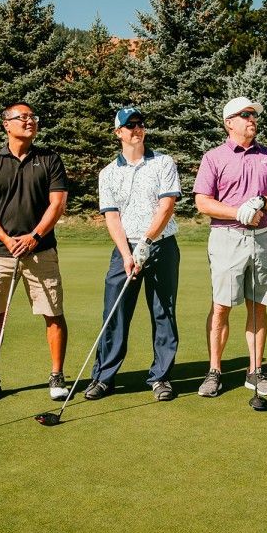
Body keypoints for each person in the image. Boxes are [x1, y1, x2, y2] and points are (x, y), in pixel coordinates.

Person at [0, 101, 70, 403]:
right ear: (6, 124)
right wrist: (6, 237)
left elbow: (58, 204)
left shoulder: (49, 159)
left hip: (41, 251)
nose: (29, 122)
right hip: (1, 251)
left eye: (32, 117)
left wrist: (35, 236)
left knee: (53, 313)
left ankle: (56, 374)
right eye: (22, 117)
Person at [193, 96, 267, 398]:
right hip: (227, 237)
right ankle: (214, 370)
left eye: (254, 115)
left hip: (262, 238)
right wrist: (238, 211)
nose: (252, 119)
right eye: (245, 115)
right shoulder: (214, 157)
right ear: (229, 122)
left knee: (257, 304)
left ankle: (255, 371)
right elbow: (202, 202)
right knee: (222, 305)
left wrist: (263, 201)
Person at [84, 107, 182, 402]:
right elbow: (112, 217)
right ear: (118, 133)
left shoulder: (164, 162)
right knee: (115, 311)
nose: (136, 130)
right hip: (125, 248)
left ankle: (161, 377)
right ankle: (104, 377)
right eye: (130, 126)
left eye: (140, 125)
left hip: (161, 246)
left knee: (163, 311)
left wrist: (147, 242)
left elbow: (166, 206)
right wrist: (128, 253)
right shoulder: (108, 173)